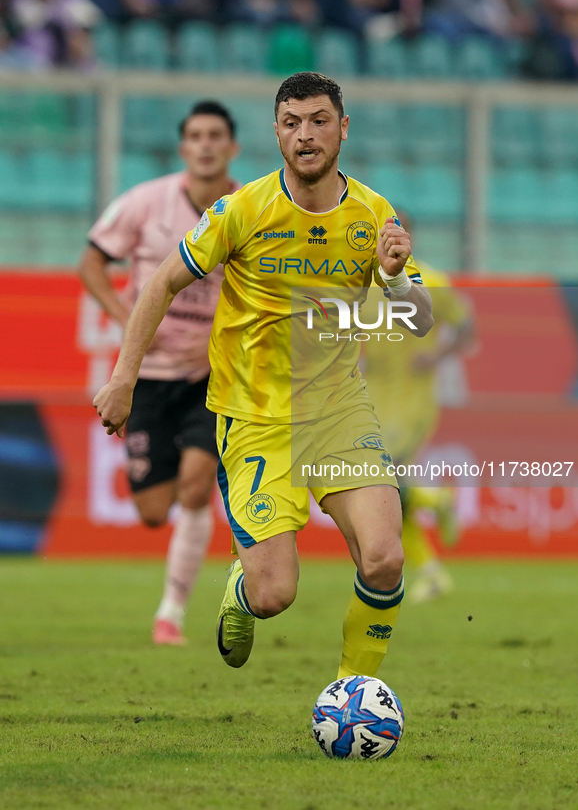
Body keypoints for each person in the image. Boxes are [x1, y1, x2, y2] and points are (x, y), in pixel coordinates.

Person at [93, 72, 433, 682]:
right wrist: (124, 378)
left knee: (384, 559)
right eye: (293, 123)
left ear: (343, 128)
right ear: (276, 133)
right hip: (254, 419)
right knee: (276, 592)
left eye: (320, 120)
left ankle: (354, 691)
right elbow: (161, 283)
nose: (306, 135)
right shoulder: (241, 210)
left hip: (338, 414)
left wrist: (399, 278)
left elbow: (419, 322)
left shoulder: (374, 214)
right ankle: (245, 594)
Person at [80, 101, 240, 645]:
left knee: (197, 489)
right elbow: (91, 262)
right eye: (195, 135)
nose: (205, 145)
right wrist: (126, 317)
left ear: (232, 147)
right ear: (182, 147)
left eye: (215, 135)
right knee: (152, 510)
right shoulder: (145, 203)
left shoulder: (248, 207)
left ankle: (170, 613)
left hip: (209, 374)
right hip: (147, 375)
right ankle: (181, 566)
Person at [363, 210, 476, 603]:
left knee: (384, 485)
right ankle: (430, 569)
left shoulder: (430, 281)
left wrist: (436, 357)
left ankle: (436, 501)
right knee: (386, 496)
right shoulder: (363, 283)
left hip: (411, 401)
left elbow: (466, 328)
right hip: (371, 399)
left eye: (398, 231)